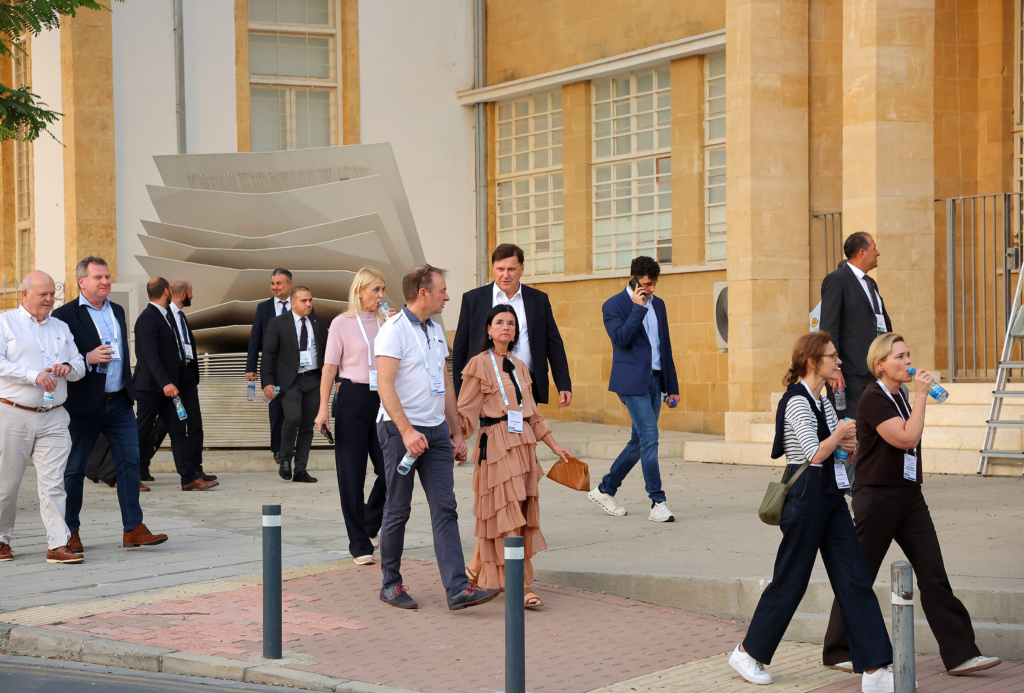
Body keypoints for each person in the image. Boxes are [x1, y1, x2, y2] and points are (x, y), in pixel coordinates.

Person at [820, 333, 1001, 678]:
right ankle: (837, 649)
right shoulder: (874, 398)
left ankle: (961, 655)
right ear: (880, 365)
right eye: (899, 357)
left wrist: (914, 396)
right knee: (859, 575)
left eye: (908, 355)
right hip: (877, 498)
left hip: (908, 496)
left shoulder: (899, 394)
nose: (908, 362)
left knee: (933, 573)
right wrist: (921, 395)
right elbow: (906, 438)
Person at [727, 331, 896, 692]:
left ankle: (875, 670)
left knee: (854, 579)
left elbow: (835, 453)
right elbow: (813, 452)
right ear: (812, 361)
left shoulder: (822, 400)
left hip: (831, 495)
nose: (839, 361)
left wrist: (847, 445)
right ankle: (747, 652)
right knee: (791, 580)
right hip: (804, 497)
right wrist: (839, 435)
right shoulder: (796, 400)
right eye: (832, 356)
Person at [374, 264, 499, 611]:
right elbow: (385, 386)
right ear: (423, 293)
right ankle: (390, 584)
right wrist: (406, 431)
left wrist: (456, 431)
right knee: (398, 508)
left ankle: (457, 588)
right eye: (442, 291)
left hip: (436, 432)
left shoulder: (436, 329)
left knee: (445, 508)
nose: (447, 297)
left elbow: (444, 383)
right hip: (400, 432)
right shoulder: (393, 331)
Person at [457, 305, 570, 608]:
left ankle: (472, 571)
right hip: (495, 444)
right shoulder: (479, 364)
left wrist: (554, 445)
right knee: (504, 513)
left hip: (523, 444)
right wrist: (455, 440)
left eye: (510, 323)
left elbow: (532, 414)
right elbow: (464, 409)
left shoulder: (520, 366)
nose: (505, 327)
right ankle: (519, 584)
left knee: (512, 511)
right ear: (489, 329)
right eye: (499, 322)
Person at [52, 256, 169, 551]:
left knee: (129, 464)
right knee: (74, 469)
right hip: (83, 404)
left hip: (119, 401)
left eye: (107, 276)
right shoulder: (65, 315)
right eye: (98, 277)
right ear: (82, 281)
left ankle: (133, 528)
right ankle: (69, 531)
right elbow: (57, 356)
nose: (105, 281)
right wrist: (87, 357)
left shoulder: (117, 309)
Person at [0, 271, 86, 564]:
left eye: (52, 294)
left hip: (54, 416)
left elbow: (79, 365)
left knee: (54, 484)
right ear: (25, 294)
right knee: (6, 485)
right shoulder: (5, 322)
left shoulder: (60, 327)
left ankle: (58, 544)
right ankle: (1, 540)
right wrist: (33, 375)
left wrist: (67, 368)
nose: (50, 299)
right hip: (13, 414)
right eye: (43, 294)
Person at [588, 256, 679, 522]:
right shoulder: (614, 305)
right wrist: (638, 308)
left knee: (639, 441)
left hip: (655, 380)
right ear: (633, 279)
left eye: (654, 284)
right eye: (647, 284)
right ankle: (657, 501)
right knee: (650, 436)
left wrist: (672, 386)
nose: (651, 289)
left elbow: (665, 346)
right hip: (630, 381)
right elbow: (621, 340)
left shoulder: (658, 304)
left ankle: (605, 489)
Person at [314, 268, 392, 566]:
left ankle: (369, 523)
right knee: (351, 473)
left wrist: (395, 324)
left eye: (383, 289)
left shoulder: (389, 322)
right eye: (376, 290)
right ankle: (359, 543)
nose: (381, 295)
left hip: (383, 397)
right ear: (359, 291)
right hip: (352, 397)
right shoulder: (341, 323)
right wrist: (323, 409)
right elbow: (329, 369)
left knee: (392, 469)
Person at [452, 243, 572, 407]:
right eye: (500, 269)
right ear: (493, 269)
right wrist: (460, 392)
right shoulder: (473, 299)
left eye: (511, 269)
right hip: (486, 386)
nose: (505, 275)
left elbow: (554, 344)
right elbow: (461, 347)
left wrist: (563, 383)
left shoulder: (538, 299)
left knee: (527, 424)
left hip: (527, 384)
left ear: (522, 269)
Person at [134, 278, 216, 492]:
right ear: (166, 291)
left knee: (178, 429)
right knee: (142, 432)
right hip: (151, 388)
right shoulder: (147, 318)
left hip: (170, 389)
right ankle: (131, 476)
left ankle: (188, 477)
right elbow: (150, 357)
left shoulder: (168, 316)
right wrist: (166, 382)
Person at [819, 232, 891, 422]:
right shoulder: (837, 279)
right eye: (874, 248)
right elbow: (828, 328)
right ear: (862, 252)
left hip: (875, 369)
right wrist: (833, 369)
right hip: (850, 374)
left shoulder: (870, 283)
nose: (878, 253)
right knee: (852, 429)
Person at [261, 286, 326, 483]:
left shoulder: (319, 321)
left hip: (314, 379)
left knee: (308, 425)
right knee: (292, 417)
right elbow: (269, 355)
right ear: (293, 303)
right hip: (290, 381)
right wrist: (267, 382)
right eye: (304, 301)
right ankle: (285, 458)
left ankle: (301, 469)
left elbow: (328, 352)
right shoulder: (278, 323)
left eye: (310, 300)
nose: (308, 304)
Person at [169, 279, 215, 483]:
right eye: (191, 292)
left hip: (187, 375)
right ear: (183, 294)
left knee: (195, 424)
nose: (192, 296)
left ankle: (196, 468)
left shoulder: (181, 316)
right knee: (168, 425)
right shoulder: (165, 315)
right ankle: (141, 466)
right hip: (171, 378)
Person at [246, 268, 293, 458]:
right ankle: (278, 449)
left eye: (279, 283)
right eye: (272, 283)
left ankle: (290, 446)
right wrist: (250, 367)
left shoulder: (301, 304)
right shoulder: (263, 308)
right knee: (276, 409)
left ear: (289, 283)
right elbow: (254, 338)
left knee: (295, 411)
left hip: (297, 368)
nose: (274, 287)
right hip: (272, 369)